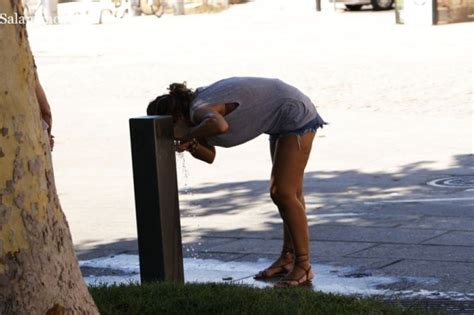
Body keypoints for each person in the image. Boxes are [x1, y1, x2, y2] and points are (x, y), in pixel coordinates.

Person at [147, 77, 326, 287]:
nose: (169, 137)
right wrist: (191, 144)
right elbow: (210, 155)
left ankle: (303, 265)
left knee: (283, 192)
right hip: (280, 119)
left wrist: (188, 134)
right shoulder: (196, 119)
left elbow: (219, 125)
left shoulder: (198, 110)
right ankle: (288, 258)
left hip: (295, 112)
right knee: (290, 192)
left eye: (167, 129)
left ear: (176, 117)